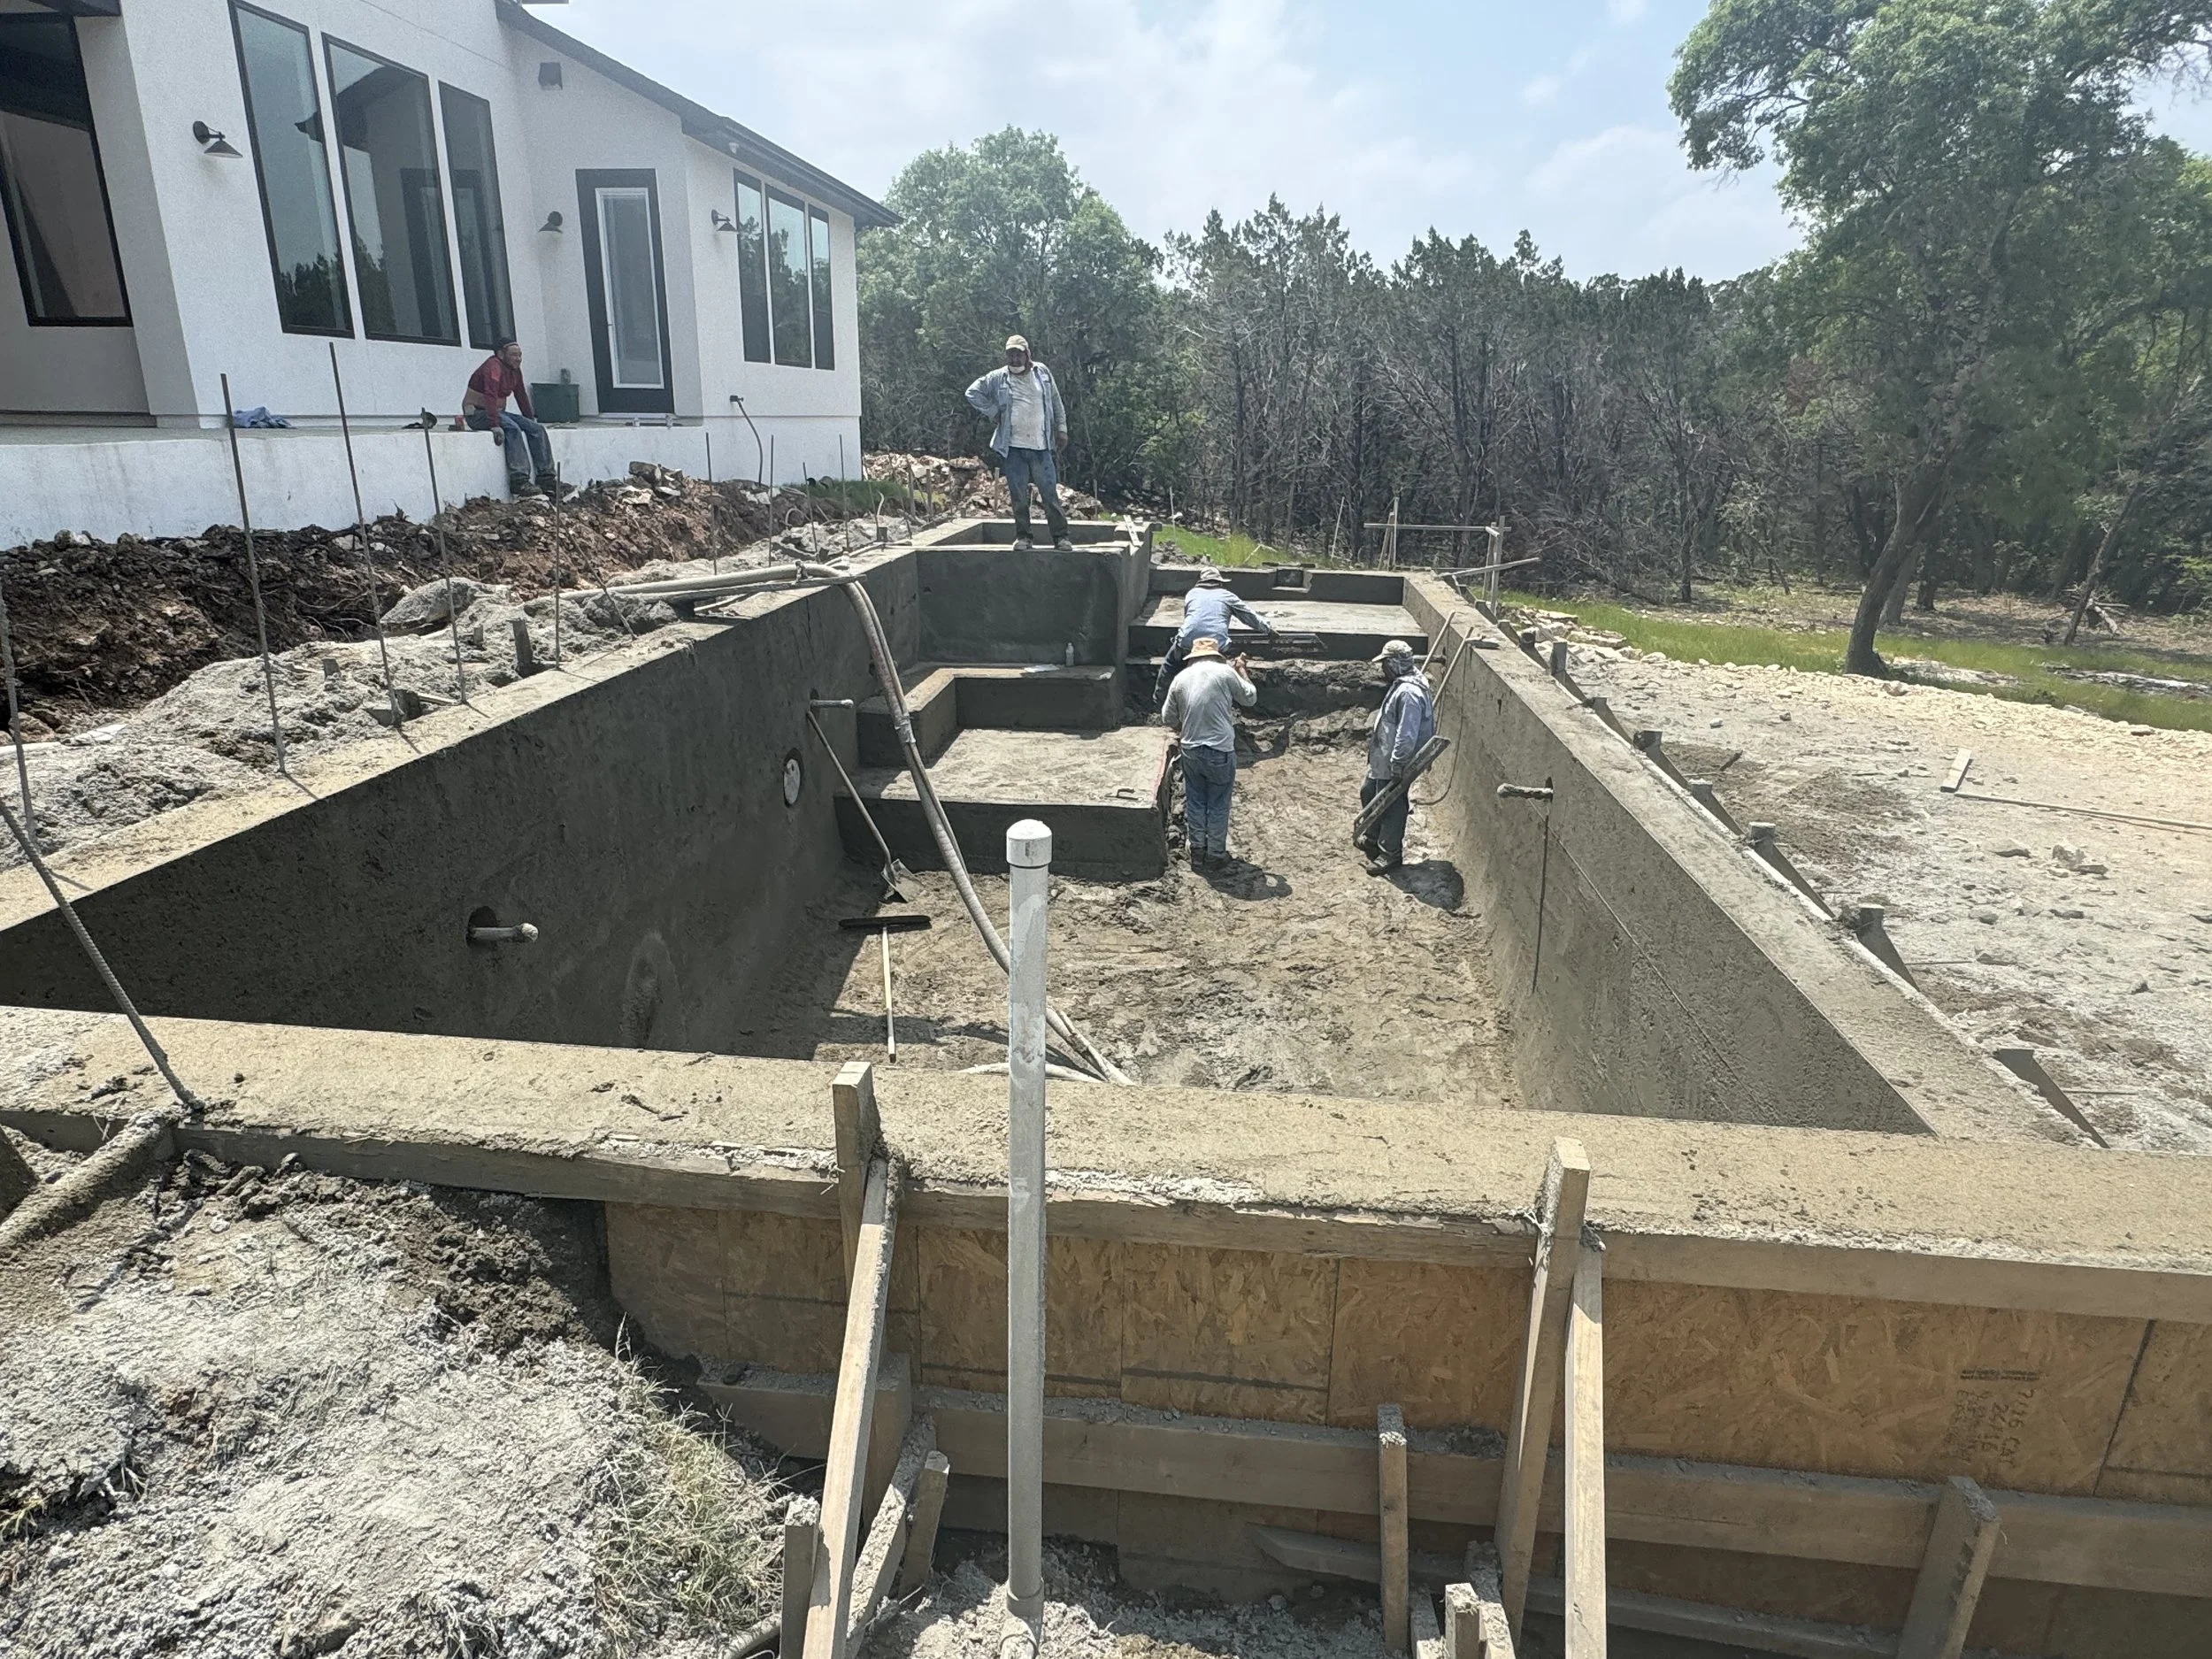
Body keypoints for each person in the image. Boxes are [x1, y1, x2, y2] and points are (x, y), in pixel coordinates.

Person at [964, 334, 1072, 551]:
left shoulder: (1042, 373)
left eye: (1018, 354)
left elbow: (1056, 402)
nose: (1014, 359)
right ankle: (1023, 537)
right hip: (1013, 447)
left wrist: (1062, 429)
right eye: (1010, 355)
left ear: (1027, 354)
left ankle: (1061, 537)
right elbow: (972, 392)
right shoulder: (998, 377)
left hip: (1041, 447)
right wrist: (993, 411)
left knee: (1049, 493)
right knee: (1018, 495)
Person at [1160, 634, 1256, 870]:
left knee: (1195, 799)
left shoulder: (1181, 678)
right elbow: (1250, 698)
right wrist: (1242, 670)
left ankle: (1198, 851)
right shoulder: (1224, 672)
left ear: (1193, 657)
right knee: (1218, 802)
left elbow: (1167, 717)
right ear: (1216, 655)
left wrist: (1185, 724)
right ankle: (1215, 854)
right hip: (1220, 750)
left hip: (1191, 750)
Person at [1358, 639, 1435, 874]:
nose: (1382, 669)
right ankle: (1373, 836)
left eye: (1385, 664)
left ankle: (1389, 854)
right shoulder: (1402, 684)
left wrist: (1398, 763)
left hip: (1395, 760)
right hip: (1383, 757)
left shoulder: (1410, 693)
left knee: (1391, 805)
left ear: (1394, 664)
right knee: (1369, 792)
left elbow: (1406, 733)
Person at [1154, 568, 1278, 708]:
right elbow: (1248, 615)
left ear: (1201, 582)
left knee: (1169, 667)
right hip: (1216, 647)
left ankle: (1159, 704)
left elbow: (1191, 622)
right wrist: (1267, 629)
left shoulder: (1191, 594)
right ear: (1220, 583)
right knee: (1224, 672)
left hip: (1188, 645)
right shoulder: (1227, 596)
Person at [457, 338, 556, 497]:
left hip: (497, 412)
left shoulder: (514, 370)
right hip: (478, 414)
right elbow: (490, 394)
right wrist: (494, 424)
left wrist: (529, 419)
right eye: (514, 355)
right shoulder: (493, 367)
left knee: (537, 429)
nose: (518, 359)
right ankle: (519, 480)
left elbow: (521, 395)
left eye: (520, 355)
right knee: (513, 429)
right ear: (501, 354)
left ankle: (547, 478)